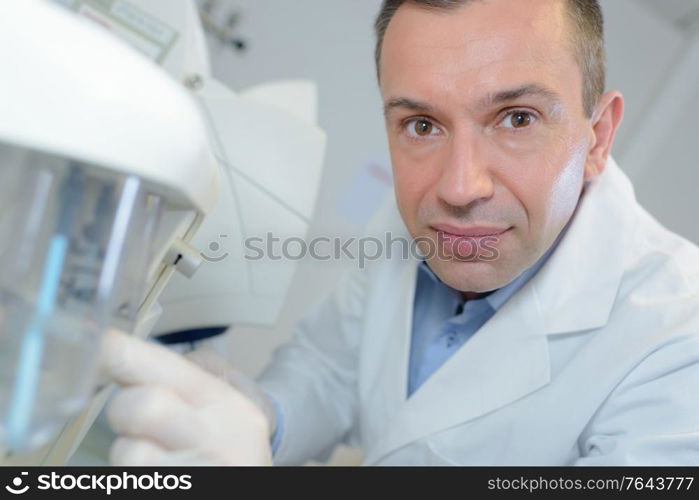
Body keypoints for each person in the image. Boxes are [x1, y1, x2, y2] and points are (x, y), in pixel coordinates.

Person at [100, 0, 699, 465]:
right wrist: (259, 417)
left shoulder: (677, 338)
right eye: (421, 124)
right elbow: (331, 367)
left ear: (597, 137)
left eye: (517, 118)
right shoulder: (407, 214)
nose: (460, 187)